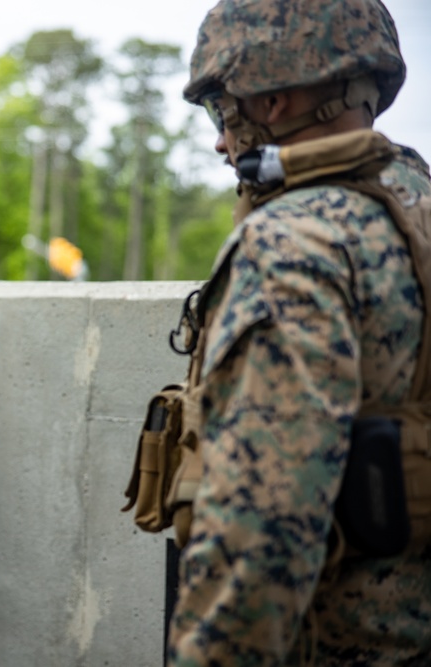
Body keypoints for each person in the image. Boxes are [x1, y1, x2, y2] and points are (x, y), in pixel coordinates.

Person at [167, 0, 431, 664]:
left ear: (274, 97)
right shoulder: (416, 209)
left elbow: (262, 527)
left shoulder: (294, 240)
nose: (220, 141)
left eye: (220, 111)